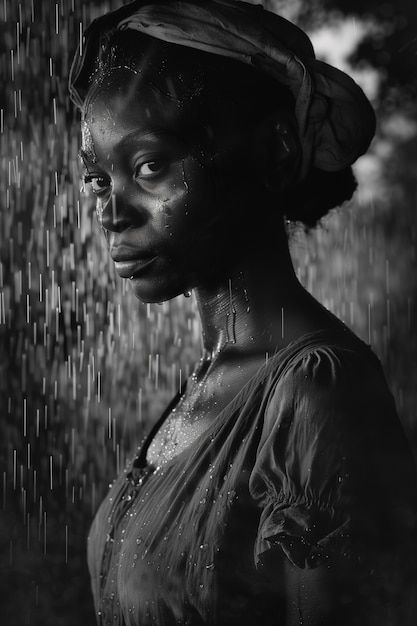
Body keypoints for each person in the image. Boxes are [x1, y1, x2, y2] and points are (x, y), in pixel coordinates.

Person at [69, 1, 417, 624]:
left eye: (150, 166)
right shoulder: (210, 382)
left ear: (275, 152)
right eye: (100, 179)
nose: (112, 213)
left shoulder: (318, 392)